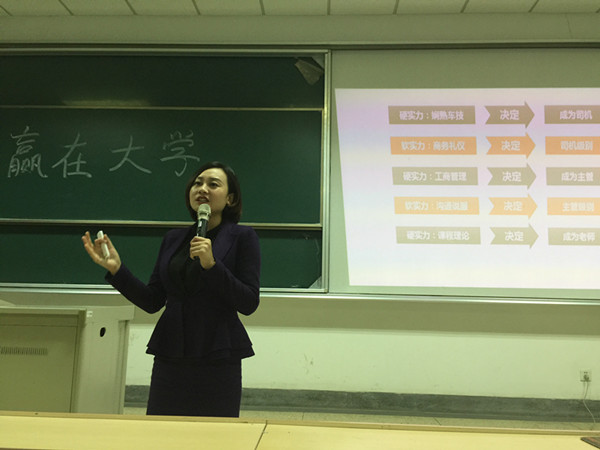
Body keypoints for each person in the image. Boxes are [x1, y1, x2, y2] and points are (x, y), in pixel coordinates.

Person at [81, 161, 260, 417]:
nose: (202, 189)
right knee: (161, 430)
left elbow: (249, 302)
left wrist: (212, 266)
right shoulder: (173, 239)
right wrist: (118, 271)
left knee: (214, 434)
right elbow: (153, 300)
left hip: (218, 352)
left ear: (230, 198)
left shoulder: (243, 237)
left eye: (213, 184)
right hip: (171, 350)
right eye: (197, 183)